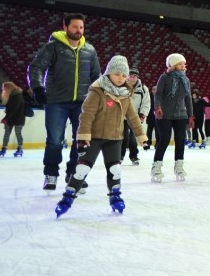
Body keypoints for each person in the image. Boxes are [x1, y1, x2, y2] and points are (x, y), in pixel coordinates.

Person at [54, 55, 148, 218]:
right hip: (94, 138)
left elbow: (133, 118)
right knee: (82, 169)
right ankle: (67, 197)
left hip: (115, 138)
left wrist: (141, 137)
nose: (121, 78)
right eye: (117, 74)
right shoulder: (97, 91)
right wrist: (83, 137)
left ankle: (115, 196)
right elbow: (87, 115)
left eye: (124, 75)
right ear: (109, 73)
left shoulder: (126, 94)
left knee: (115, 170)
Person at [28, 12, 101, 190]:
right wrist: (38, 88)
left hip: (82, 103)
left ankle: (74, 174)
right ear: (65, 27)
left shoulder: (89, 50)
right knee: (54, 140)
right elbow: (36, 67)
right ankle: (51, 174)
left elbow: (96, 76)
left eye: (81, 27)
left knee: (82, 140)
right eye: (75, 26)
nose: (78, 30)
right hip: (56, 102)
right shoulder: (52, 47)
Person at [151, 53, 193, 182]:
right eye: (180, 64)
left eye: (183, 64)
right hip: (165, 114)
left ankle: (179, 166)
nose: (183, 66)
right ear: (173, 65)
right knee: (164, 139)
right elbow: (158, 94)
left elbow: (188, 97)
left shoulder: (185, 80)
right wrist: (157, 107)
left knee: (180, 140)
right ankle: (156, 167)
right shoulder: (165, 77)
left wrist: (191, 115)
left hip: (181, 114)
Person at [121, 67, 150, 165]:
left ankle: (134, 156)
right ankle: (120, 156)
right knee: (123, 137)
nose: (132, 78)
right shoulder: (121, 86)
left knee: (133, 138)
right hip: (122, 116)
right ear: (127, 76)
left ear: (137, 77)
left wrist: (143, 114)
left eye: (135, 76)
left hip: (135, 117)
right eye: (130, 75)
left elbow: (146, 103)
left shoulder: (143, 88)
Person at [0, 81, 26, 157]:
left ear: (9, 88)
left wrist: (5, 118)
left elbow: (15, 109)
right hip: (10, 117)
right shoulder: (9, 95)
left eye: (4, 88)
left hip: (18, 118)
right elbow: (8, 107)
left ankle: (20, 148)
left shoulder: (18, 95)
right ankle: (4, 148)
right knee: (7, 133)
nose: (3, 89)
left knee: (18, 133)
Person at [144, 85, 157, 150]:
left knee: (158, 131)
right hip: (150, 116)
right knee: (149, 131)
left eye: (156, 89)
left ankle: (157, 144)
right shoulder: (148, 97)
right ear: (152, 90)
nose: (155, 91)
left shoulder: (160, 96)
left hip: (158, 116)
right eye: (154, 89)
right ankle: (148, 143)